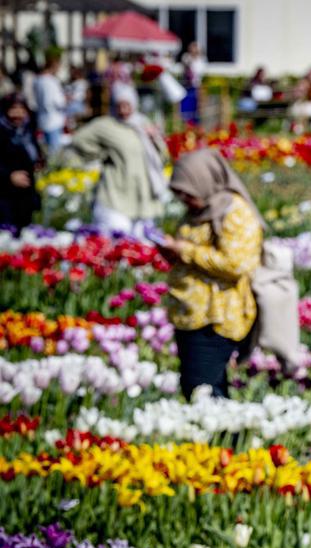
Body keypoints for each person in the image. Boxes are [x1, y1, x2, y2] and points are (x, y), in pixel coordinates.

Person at [160, 149, 263, 399]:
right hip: (190, 313)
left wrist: (185, 250)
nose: (184, 198)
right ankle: (219, 437)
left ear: (204, 180)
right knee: (197, 388)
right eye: (179, 193)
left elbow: (238, 264)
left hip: (216, 317)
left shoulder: (234, 212)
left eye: (188, 191)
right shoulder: (199, 210)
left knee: (203, 391)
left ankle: (223, 437)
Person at [63, 83, 168, 237]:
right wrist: (100, 153)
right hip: (116, 193)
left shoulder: (142, 123)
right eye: (119, 105)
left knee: (143, 244)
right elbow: (79, 140)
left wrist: (153, 138)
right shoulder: (106, 125)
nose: (123, 110)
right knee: (116, 239)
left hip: (143, 195)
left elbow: (162, 156)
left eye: (127, 105)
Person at [0, 92, 43, 232]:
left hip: (26, 195)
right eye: (13, 109)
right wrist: (9, 176)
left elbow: (34, 152)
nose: (18, 114)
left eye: (22, 109)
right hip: (5, 195)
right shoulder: (2, 130)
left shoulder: (27, 129)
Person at [33, 49, 66, 152]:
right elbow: (58, 102)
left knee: (46, 151)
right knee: (54, 156)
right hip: (53, 120)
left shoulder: (38, 80)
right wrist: (66, 100)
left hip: (42, 119)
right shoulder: (51, 81)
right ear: (54, 65)